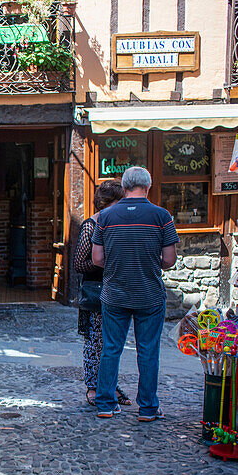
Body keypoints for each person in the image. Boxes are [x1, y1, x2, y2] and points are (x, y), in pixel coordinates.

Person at [92, 165, 179, 421]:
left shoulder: (106, 217)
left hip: (115, 293)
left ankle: (105, 404)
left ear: (125, 187)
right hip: (149, 294)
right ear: (148, 187)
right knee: (149, 351)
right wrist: (151, 263)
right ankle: (148, 408)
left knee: (110, 348)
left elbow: (97, 258)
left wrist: (118, 263)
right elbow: (170, 259)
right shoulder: (162, 217)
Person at [73, 179, 132, 407]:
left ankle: (108, 385)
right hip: (97, 292)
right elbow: (79, 263)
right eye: (120, 202)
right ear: (109, 203)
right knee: (95, 342)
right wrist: (108, 264)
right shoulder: (91, 225)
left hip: (116, 290)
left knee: (112, 343)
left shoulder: (119, 224)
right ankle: (92, 386)